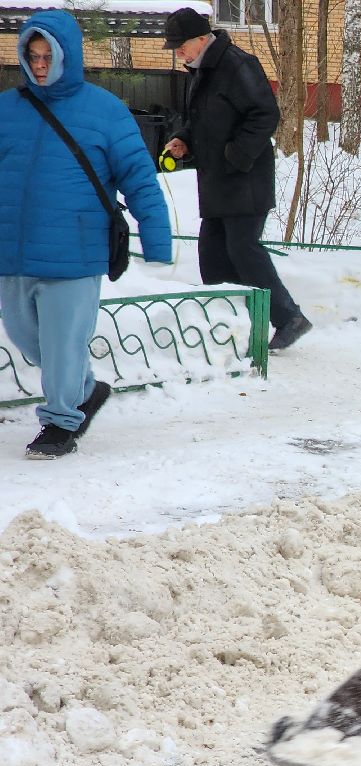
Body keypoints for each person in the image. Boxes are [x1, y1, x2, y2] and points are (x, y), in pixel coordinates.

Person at [0, 10, 173, 460]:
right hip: (13, 252)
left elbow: (140, 180)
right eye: (33, 57)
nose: (40, 66)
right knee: (25, 336)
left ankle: (60, 422)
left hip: (74, 252)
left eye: (48, 57)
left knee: (62, 345)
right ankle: (87, 390)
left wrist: (157, 240)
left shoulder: (105, 111)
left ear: (68, 56)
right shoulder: (7, 109)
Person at [161, 7, 312, 353]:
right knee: (212, 252)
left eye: (181, 46)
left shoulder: (237, 64)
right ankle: (228, 323)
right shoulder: (201, 70)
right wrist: (184, 139)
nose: (178, 53)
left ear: (202, 39)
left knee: (243, 248)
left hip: (245, 179)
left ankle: (289, 317)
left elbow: (265, 114)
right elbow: (205, 120)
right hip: (218, 181)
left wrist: (236, 155)